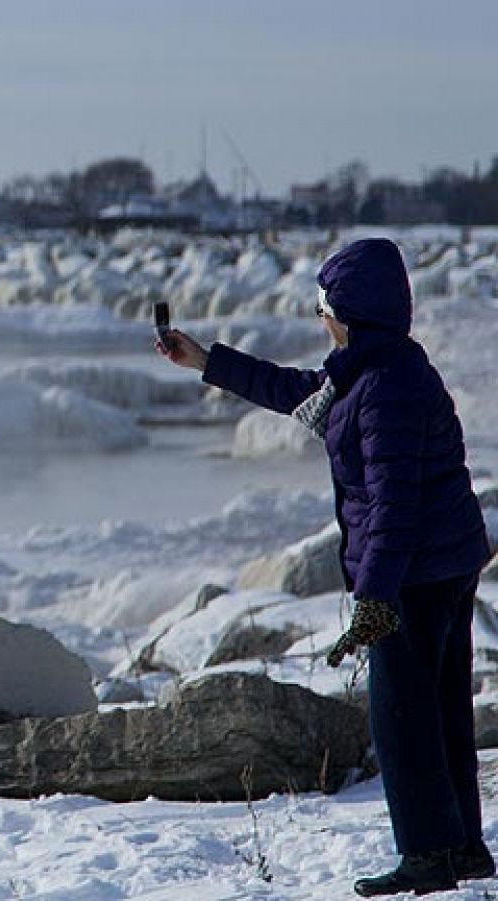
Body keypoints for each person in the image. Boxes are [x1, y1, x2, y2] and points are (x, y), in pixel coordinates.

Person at [158, 237, 493, 897]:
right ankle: (462, 849)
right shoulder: (370, 370)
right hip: (442, 564)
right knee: (441, 710)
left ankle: (429, 853)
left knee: (400, 716)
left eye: (324, 307)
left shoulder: (383, 390)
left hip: (415, 575)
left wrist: (374, 596)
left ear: (350, 312)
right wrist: (206, 361)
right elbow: (296, 392)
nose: (320, 319)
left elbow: (395, 504)